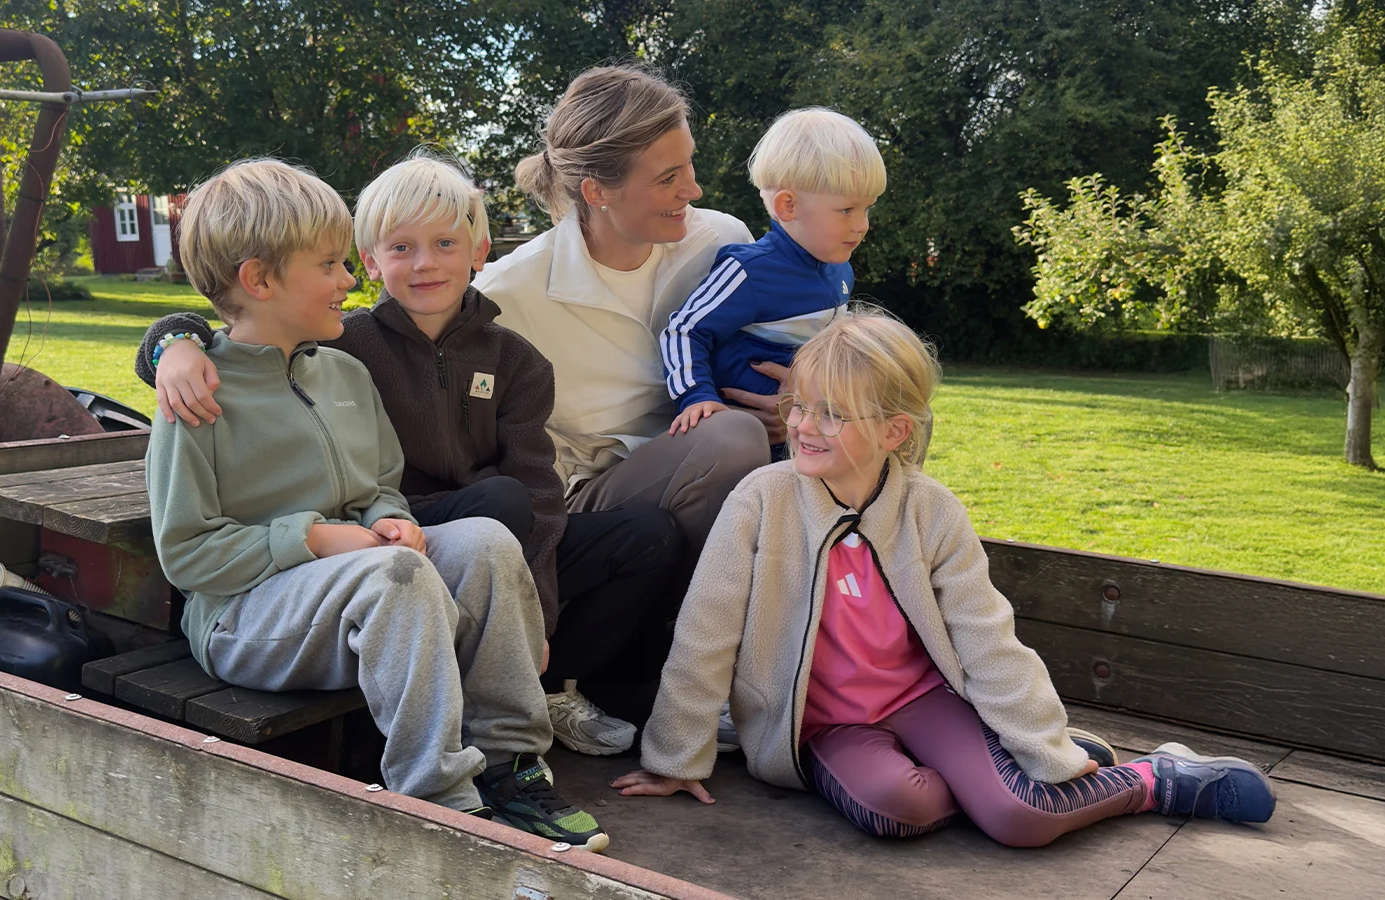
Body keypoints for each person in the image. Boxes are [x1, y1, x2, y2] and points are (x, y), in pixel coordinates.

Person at [612, 310, 1276, 845]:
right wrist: (676, 758)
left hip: (925, 700)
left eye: (833, 414)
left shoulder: (930, 511)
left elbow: (987, 637)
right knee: (902, 811)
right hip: (823, 726)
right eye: (800, 406)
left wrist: (1044, 749)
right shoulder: (762, 501)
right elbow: (706, 633)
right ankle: (999, 768)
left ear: (895, 430)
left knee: (1021, 819)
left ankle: (1156, 780)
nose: (804, 427)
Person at [140, 152, 684, 757]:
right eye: (340, 262)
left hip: (389, 552)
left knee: (531, 529)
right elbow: (189, 545)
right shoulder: (322, 350)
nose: (347, 279)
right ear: (373, 261)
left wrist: (386, 521)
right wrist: (174, 342)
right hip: (304, 589)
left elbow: (492, 491)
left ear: (479, 253)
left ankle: (523, 743)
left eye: (446, 242)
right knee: (447, 543)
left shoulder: (366, 368)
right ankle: (442, 782)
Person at [475, 65, 772, 577]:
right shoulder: (507, 294)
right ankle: (706, 626)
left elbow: (771, 350)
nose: (694, 190)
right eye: (668, 178)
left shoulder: (723, 243)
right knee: (733, 438)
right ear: (597, 193)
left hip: (716, 460)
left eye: (689, 165)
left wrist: (798, 402)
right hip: (596, 501)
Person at [662, 107, 885, 463]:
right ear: (787, 205)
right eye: (847, 210)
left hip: (809, 426)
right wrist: (697, 397)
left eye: (867, 210)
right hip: (749, 439)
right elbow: (684, 331)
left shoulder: (840, 272)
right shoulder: (748, 271)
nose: (862, 225)